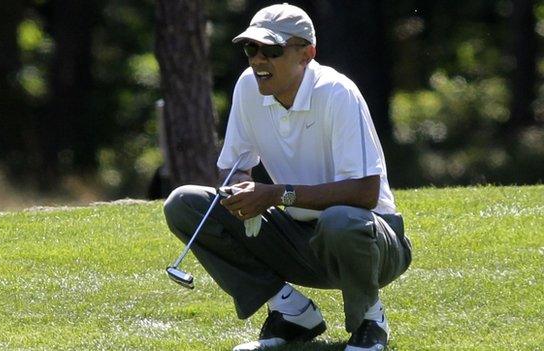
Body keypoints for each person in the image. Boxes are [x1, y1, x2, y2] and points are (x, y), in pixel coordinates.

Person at [163, 3, 412, 351]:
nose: (258, 60)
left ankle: (370, 320)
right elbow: (234, 165)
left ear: (306, 54)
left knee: (341, 219)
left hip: (370, 240)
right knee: (185, 203)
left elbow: (365, 193)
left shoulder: (337, 93)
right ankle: (291, 312)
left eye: (272, 50)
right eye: (252, 48)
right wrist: (239, 194)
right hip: (298, 238)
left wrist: (276, 195)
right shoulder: (249, 87)